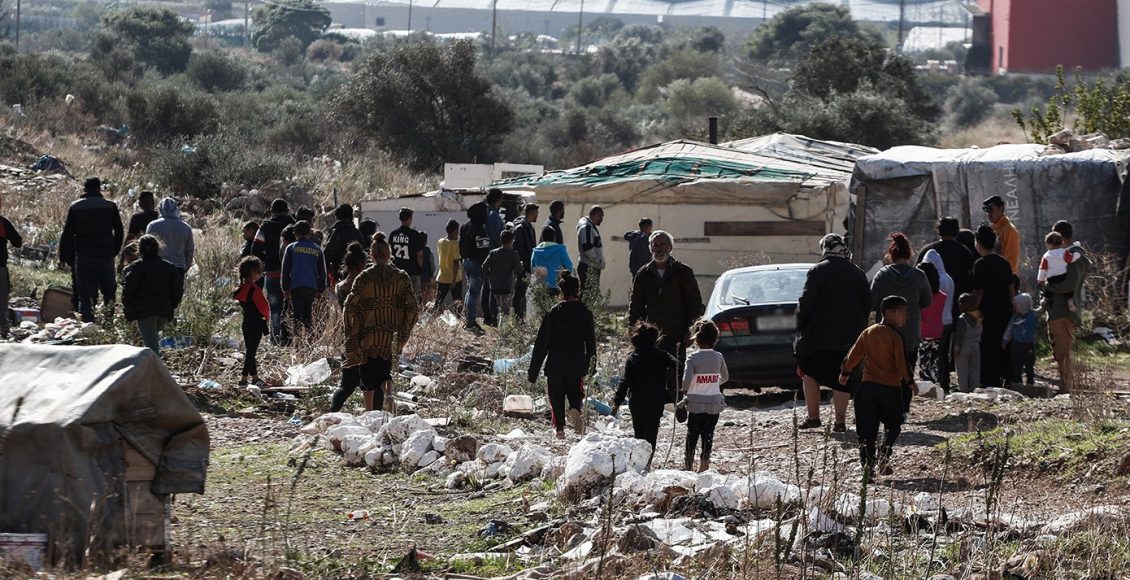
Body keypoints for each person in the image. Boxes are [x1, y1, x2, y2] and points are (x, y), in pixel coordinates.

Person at [795, 233, 870, 432]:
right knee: (843, 376)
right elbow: (866, 305)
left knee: (809, 371)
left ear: (825, 248)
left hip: (817, 338)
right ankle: (840, 422)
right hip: (849, 339)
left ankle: (813, 417)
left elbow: (805, 304)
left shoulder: (817, 271)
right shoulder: (858, 273)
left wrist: (799, 326)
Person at [344, 232, 420, 411]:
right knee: (388, 372)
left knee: (368, 378)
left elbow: (350, 305)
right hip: (391, 336)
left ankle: (370, 413)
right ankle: (390, 406)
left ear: (371, 255)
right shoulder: (401, 277)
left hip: (368, 337)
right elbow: (413, 307)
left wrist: (351, 330)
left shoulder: (364, 278)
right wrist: (404, 330)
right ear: (389, 253)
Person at [840, 295, 913, 478]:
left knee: (866, 432)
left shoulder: (868, 332)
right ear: (889, 313)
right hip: (889, 389)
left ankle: (867, 469)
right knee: (893, 425)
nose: (905, 317)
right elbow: (902, 363)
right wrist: (910, 382)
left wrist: (845, 373)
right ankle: (883, 454)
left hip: (866, 390)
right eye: (902, 312)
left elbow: (853, 356)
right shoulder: (896, 337)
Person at [528, 272, 595, 438]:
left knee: (556, 396)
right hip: (576, 363)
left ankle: (559, 429)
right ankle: (574, 409)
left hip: (555, 364)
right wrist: (591, 366)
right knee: (575, 393)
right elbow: (591, 343)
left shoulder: (554, 313)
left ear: (561, 290)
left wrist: (533, 372)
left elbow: (542, 343)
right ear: (578, 289)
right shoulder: (585, 313)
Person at [628, 230, 704, 372]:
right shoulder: (643, 274)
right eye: (655, 245)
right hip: (651, 338)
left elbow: (694, 304)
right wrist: (633, 331)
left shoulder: (683, 272)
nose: (659, 248)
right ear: (650, 248)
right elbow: (636, 305)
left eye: (663, 244)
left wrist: (691, 330)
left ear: (670, 247)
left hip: (677, 335)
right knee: (653, 379)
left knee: (675, 379)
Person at [869, 233, 931, 395]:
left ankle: (890, 408)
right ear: (909, 254)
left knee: (887, 373)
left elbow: (871, 303)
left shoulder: (882, 275)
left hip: (886, 334)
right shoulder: (919, 276)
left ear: (891, 255)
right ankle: (904, 408)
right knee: (907, 371)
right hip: (910, 333)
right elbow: (927, 301)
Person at [59, 177, 125, 323]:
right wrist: (114, 249)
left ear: (84, 189)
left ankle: (87, 323)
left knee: (85, 293)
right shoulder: (110, 206)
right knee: (109, 291)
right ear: (99, 188)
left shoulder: (75, 207)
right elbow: (119, 230)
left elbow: (67, 233)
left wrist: (63, 256)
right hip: (105, 255)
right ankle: (108, 321)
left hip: (83, 256)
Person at [612, 321, 677, 464]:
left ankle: (639, 463)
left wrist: (616, 402)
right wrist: (673, 389)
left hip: (637, 402)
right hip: (655, 401)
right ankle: (647, 463)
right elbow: (678, 366)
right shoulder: (662, 356)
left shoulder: (632, 358)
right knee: (651, 434)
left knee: (639, 434)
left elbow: (625, 382)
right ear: (655, 339)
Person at [1044, 220, 1089, 393]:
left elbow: (1069, 284)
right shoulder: (1069, 256)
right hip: (1061, 309)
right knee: (1061, 350)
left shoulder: (1073, 258)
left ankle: (1066, 387)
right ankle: (1066, 385)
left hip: (1063, 311)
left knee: (1063, 351)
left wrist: (1047, 286)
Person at [121, 235, 184, 354]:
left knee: (152, 349)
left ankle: (157, 371)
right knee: (152, 341)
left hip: (145, 313)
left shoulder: (135, 268)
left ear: (139, 249)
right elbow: (178, 290)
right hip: (164, 312)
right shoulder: (169, 267)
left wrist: (129, 309)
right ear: (158, 248)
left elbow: (128, 292)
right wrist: (171, 305)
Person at [680, 319, 728, 473]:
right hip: (714, 403)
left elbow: (686, 381)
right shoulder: (718, 357)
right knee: (708, 434)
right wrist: (714, 383)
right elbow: (725, 377)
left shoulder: (693, 358)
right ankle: (704, 464)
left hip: (695, 404)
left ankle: (688, 464)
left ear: (697, 338)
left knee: (692, 435)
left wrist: (684, 389)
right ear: (715, 338)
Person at [970, 225, 1015, 389]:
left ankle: (990, 380)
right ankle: (1006, 378)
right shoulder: (1003, 262)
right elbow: (1011, 287)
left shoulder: (979, 264)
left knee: (988, 347)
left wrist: (972, 308)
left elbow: (979, 292)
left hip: (987, 312)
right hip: (1004, 310)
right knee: (1004, 345)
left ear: (978, 243)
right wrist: (1012, 304)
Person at [330, 243, 373, 411]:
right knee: (370, 382)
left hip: (348, 335)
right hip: (366, 336)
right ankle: (373, 415)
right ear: (362, 264)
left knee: (346, 384)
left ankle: (332, 413)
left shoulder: (340, 287)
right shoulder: (366, 285)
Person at [252, 198, 295, 343]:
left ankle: (277, 340)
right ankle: (291, 338)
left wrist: (267, 260)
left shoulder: (265, 226)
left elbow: (255, 249)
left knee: (275, 307)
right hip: (293, 274)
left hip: (273, 273)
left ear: (271, 211)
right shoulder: (295, 225)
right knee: (291, 307)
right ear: (287, 209)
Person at [917, 217, 975, 321]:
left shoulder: (927, 251)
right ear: (957, 231)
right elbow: (971, 280)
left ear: (939, 230)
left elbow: (917, 277)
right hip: (958, 306)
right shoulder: (965, 252)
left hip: (930, 308)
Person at [281, 221, 327, 331]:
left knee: (297, 316)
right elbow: (322, 271)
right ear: (309, 233)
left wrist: (285, 288)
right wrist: (320, 289)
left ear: (294, 233)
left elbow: (285, 270)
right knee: (308, 315)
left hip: (295, 287)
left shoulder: (291, 248)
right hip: (311, 287)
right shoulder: (317, 249)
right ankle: (308, 340)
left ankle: (298, 342)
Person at [921, 249, 956, 391]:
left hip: (933, 322)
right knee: (942, 354)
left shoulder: (934, 281)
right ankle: (943, 381)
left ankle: (931, 382)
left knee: (929, 355)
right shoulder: (948, 279)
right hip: (947, 320)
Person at [234, 256, 270, 387]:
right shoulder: (255, 289)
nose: (260, 273)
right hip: (256, 323)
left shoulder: (242, 288)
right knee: (251, 352)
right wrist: (267, 318)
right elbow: (264, 308)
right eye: (259, 270)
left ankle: (255, 378)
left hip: (246, 322)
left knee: (250, 351)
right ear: (253, 271)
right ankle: (243, 379)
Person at [459, 202, 491, 332]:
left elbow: (460, 245)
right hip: (477, 263)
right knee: (473, 293)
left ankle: (467, 319)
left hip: (466, 261)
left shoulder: (465, 227)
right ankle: (471, 322)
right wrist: (486, 266)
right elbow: (483, 250)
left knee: (469, 291)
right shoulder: (481, 229)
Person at [916, 261, 947, 385]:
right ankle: (935, 385)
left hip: (923, 333)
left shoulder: (920, 296)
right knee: (935, 363)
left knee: (924, 364)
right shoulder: (943, 296)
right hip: (938, 332)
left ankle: (926, 387)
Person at [145, 197, 194, 272]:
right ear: (176, 209)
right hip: (178, 267)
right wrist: (185, 268)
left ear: (160, 209)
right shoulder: (186, 227)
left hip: (158, 267)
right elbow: (189, 252)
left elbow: (147, 249)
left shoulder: (152, 225)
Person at [1037, 231, 1081, 312]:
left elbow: (1042, 269)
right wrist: (1078, 252)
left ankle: (1045, 300)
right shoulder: (1064, 252)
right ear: (1061, 243)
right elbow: (1071, 259)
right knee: (1069, 289)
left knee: (1049, 289)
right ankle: (1070, 302)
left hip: (1051, 279)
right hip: (1063, 277)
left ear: (1049, 244)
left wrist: (1040, 280)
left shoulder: (1046, 256)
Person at [483, 229, 521, 318]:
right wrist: (520, 265)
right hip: (506, 286)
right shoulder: (513, 254)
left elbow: (484, 266)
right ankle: (503, 328)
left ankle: (495, 321)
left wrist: (489, 276)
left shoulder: (493, 252)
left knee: (496, 306)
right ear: (511, 241)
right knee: (505, 311)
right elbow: (518, 270)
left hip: (494, 285)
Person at [0, 193, 23, 339]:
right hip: (0, 268)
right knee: (1, 304)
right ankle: (3, 332)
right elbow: (18, 242)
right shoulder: (2, 222)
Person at [1002, 292, 1038, 387]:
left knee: (1029, 365)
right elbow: (1009, 329)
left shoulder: (1033, 315)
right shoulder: (1015, 317)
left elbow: (1042, 309)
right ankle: (1017, 382)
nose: (1014, 306)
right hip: (1016, 344)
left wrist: (1045, 301)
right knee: (1017, 365)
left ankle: (1030, 382)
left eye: (1016, 304)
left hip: (1029, 344)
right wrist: (1005, 340)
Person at [510, 203, 538, 319]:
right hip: (522, 265)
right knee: (519, 293)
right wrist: (526, 260)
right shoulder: (520, 228)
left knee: (523, 292)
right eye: (536, 214)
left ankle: (520, 317)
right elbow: (518, 248)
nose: (537, 216)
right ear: (531, 214)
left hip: (528, 264)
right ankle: (517, 317)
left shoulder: (529, 227)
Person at [390, 207, 424, 301]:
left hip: (397, 271)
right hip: (412, 271)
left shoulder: (393, 234)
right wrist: (420, 268)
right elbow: (420, 255)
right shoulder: (414, 234)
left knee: (398, 298)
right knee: (413, 299)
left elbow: (390, 253)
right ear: (409, 219)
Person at [323, 203, 365, 279]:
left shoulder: (337, 232)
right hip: (358, 275)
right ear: (351, 216)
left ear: (337, 217)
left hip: (339, 275)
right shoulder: (358, 233)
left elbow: (328, 254)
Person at [983, 195, 1021, 274]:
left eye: (991, 209)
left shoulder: (1010, 231)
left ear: (1000, 208)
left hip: (1003, 278)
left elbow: (1011, 263)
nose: (988, 213)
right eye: (986, 210)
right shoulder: (992, 228)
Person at [530, 225, 573, 296]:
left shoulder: (535, 251)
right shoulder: (560, 250)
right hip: (556, 287)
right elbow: (569, 268)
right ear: (554, 237)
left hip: (540, 288)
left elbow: (532, 269)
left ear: (542, 238)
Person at [952, 293, 982, 393]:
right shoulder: (980, 316)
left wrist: (956, 349)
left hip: (964, 348)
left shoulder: (962, 319)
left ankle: (963, 389)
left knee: (962, 371)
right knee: (975, 370)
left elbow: (959, 336)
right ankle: (975, 389)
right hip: (976, 347)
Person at [434, 219, 463, 312]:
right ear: (454, 231)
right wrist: (453, 281)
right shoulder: (456, 244)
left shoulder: (440, 242)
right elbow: (455, 263)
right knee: (457, 302)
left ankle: (430, 320)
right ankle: (459, 321)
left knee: (438, 302)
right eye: (457, 231)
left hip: (442, 277)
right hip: (455, 278)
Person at [576, 206, 605, 294]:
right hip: (588, 267)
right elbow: (587, 248)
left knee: (592, 295)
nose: (601, 219)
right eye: (601, 216)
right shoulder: (586, 228)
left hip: (591, 266)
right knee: (588, 295)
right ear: (596, 215)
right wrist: (598, 261)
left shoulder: (590, 227)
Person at [420, 232, 436, 306]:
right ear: (426, 241)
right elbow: (432, 266)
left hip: (417, 278)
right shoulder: (429, 251)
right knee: (426, 299)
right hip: (426, 278)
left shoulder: (414, 251)